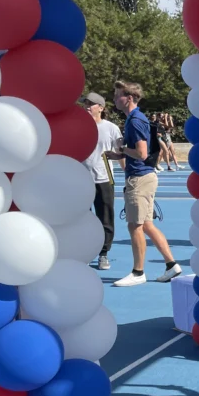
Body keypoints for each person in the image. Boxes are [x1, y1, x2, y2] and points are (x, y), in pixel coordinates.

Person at [112, 81, 182, 287]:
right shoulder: (136, 118)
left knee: (135, 226)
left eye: (118, 96)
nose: (115, 100)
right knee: (148, 224)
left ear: (130, 98)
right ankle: (172, 266)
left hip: (140, 179)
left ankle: (138, 272)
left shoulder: (134, 121)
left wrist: (122, 150)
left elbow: (141, 154)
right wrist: (119, 152)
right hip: (144, 177)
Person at [81, 92, 123, 271]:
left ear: (101, 108)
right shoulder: (78, 125)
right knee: (81, 219)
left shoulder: (111, 128)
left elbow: (121, 153)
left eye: (91, 104)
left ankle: (103, 254)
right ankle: (83, 252)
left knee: (105, 218)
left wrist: (128, 175)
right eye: (86, 104)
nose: (87, 107)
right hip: (81, 179)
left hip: (104, 178)